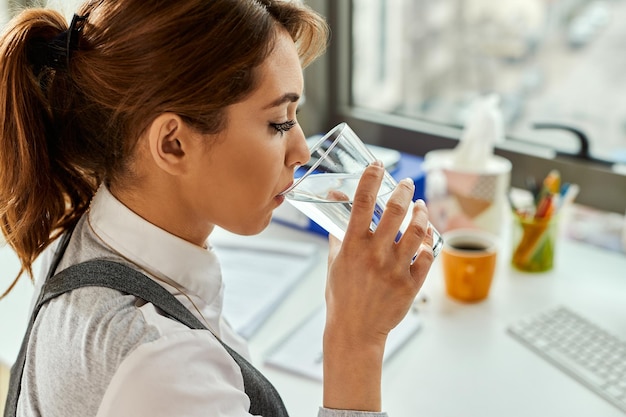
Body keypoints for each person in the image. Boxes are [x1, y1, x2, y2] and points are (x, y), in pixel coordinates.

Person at [0, 0, 435, 416]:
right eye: (279, 123)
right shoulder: (159, 367)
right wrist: (356, 342)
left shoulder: (90, 230)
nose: (302, 150)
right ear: (172, 144)